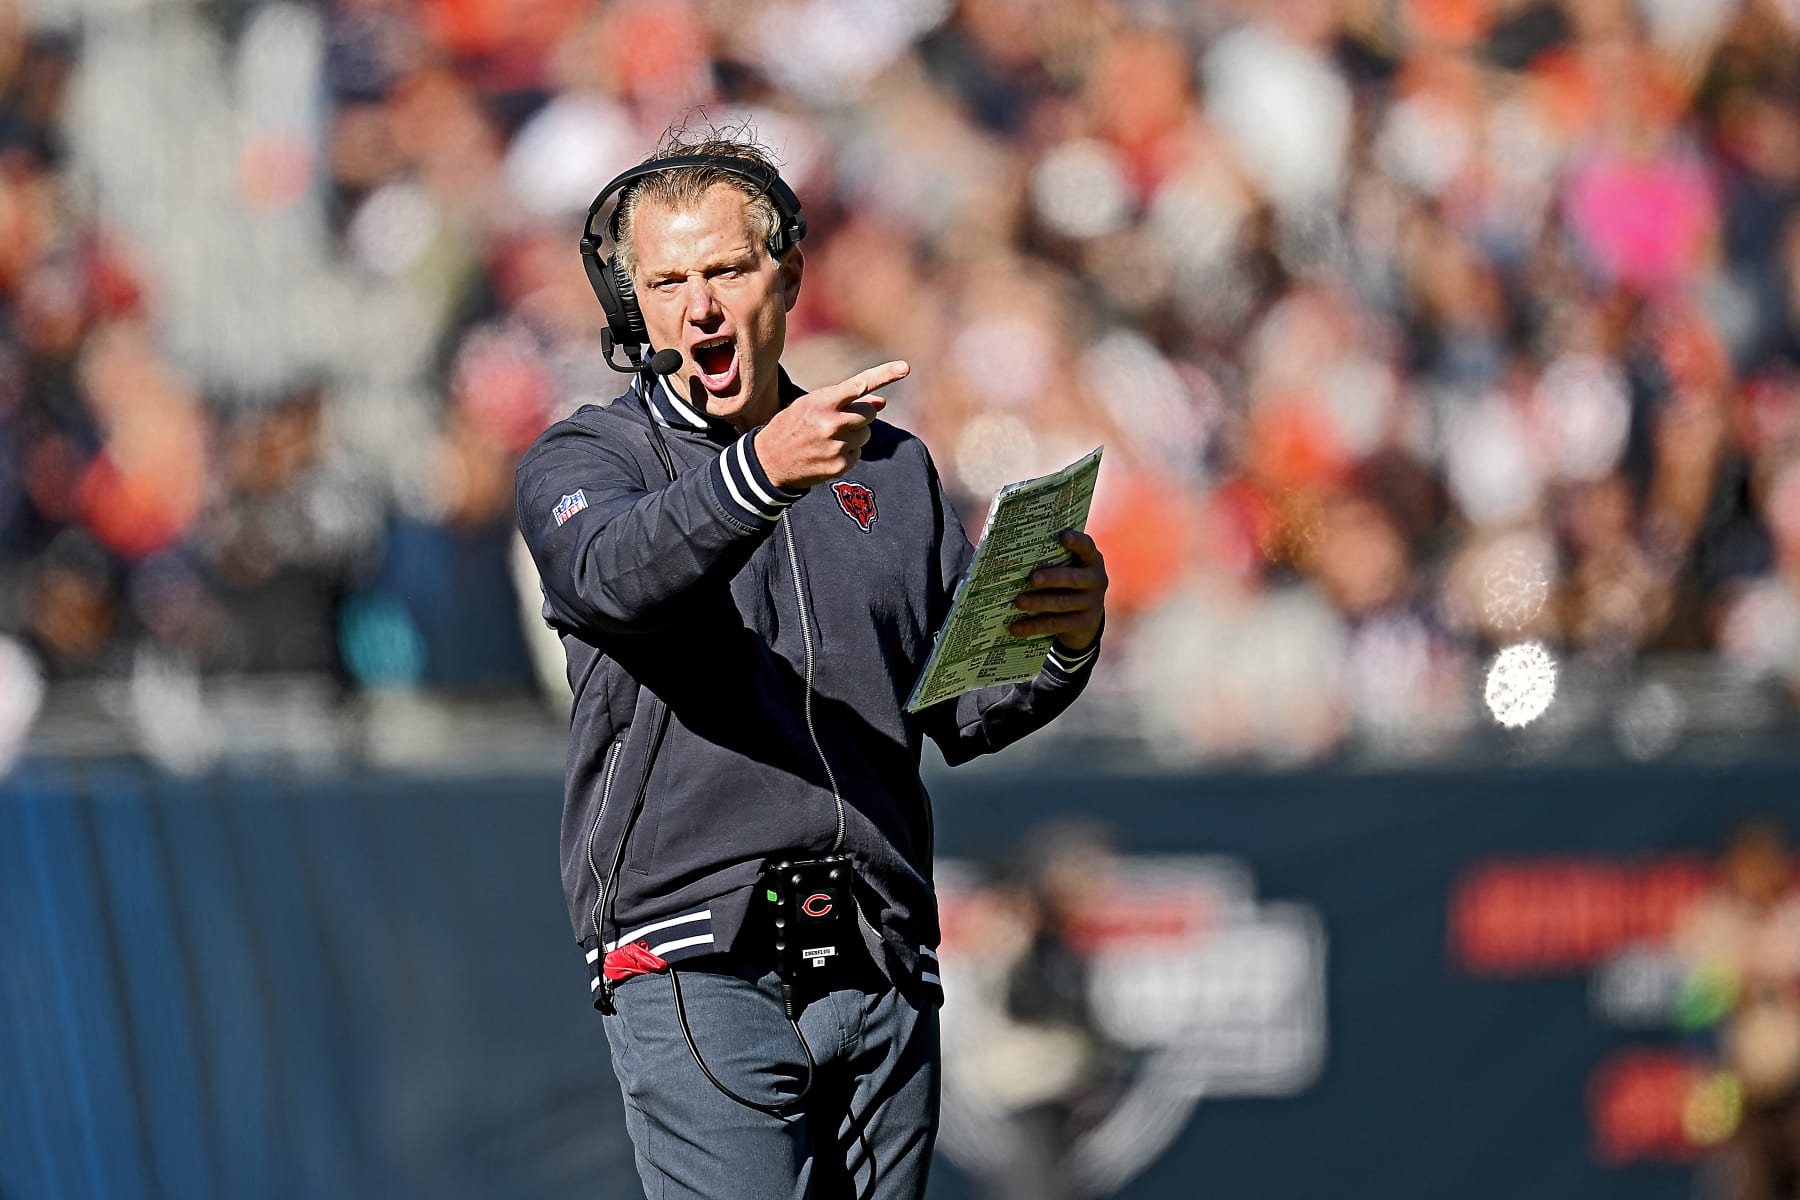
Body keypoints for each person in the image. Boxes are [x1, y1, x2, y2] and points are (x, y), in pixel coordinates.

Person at [513, 124, 1109, 1200]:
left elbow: (959, 710)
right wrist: (756, 474)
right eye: (665, 281)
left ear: (786, 272)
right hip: (698, 946)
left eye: (726, 270)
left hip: (877, 946)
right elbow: (609, 574)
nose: (697, 306)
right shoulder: (590, 456)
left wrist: (1060, 636)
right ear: (630, 305)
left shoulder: (891, 465)